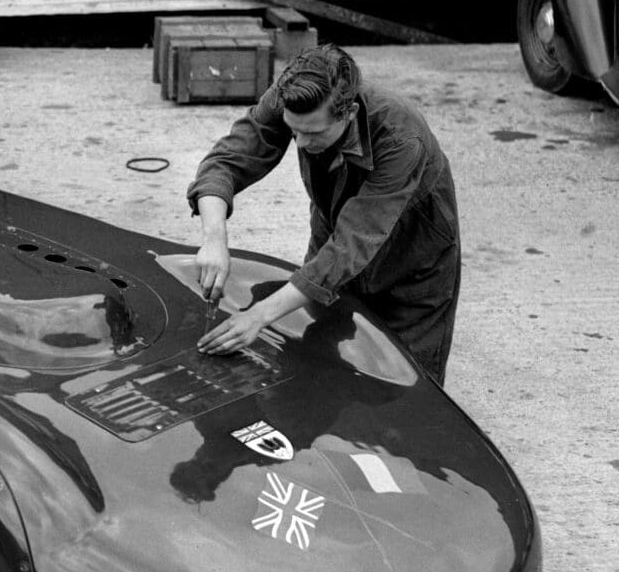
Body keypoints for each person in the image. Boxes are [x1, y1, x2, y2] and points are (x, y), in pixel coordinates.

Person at [186, 44, 462, 384]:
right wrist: (214, 240)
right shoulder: (292, 96)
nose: (300, 144)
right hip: (333, 233)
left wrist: (258, 315)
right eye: (293, 131)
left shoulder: (401, 136)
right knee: (324, 360)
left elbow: (350, 245)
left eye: (313, 133)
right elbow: (227, 161)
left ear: (349, 113)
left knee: (405, 382)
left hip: (413, 260)